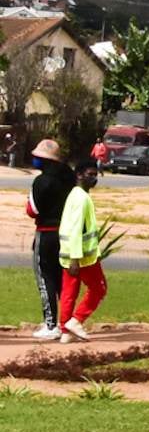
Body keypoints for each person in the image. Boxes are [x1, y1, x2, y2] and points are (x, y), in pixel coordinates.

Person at [23, 139, 76, 342]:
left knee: (45, 278)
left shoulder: (42, 181)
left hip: (46, 232)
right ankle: (67, 320)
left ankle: (51, 324)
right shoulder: (68, 178)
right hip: (65, 233)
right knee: (62, 279)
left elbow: (32, 210)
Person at [57, 162, 106, 341]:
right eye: (90, 174)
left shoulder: (74, 195)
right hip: (82, 257)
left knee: (69, 292)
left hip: (70, 253)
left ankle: (65, 331)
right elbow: (76, 228)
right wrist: (75, 258)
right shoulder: (81, 198)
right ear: (79, 175)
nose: (93, 179)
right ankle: (76, 320)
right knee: (99, 289)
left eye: (95, 175)